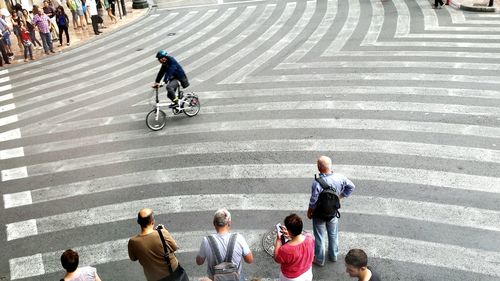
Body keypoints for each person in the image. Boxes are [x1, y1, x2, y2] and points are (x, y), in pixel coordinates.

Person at [307, 155, 355, 266]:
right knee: (333, 234)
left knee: (319, 236)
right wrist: (340, 197)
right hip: (333, 212)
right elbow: (351, 186)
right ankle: (333, 255)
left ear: (319, 167)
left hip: (319, 214)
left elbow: (313, 200)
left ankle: (320, 259)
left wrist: (309, 212)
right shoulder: (340, 177)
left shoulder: (317, 183)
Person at [196, 208, 253, 281]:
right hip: (236, 278)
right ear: (229, 223)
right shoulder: (239, 238)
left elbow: (199, 262)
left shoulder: (206, 241)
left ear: (214, 223)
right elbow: (249, 260)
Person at [128, 208, 181, 281]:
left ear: (139, 222)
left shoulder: (133, 242)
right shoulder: (162, 233)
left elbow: (133, 258)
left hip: (153, 278)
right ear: (153, 222)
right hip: (174, 273)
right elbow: (174, 248)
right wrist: (164, 230)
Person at [273, 214, 314, 281]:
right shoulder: (310, 238)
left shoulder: (285, 249)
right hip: (307, 272)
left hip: (292, 277)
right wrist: (290, 235)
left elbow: (277, 258)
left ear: (289, 231)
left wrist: (278, 240)